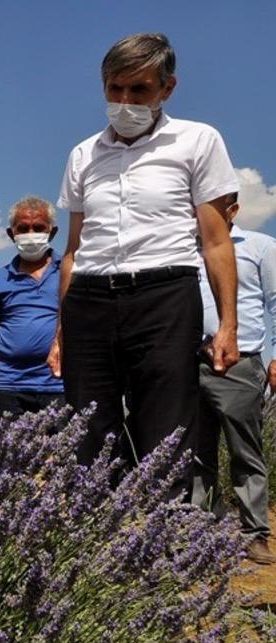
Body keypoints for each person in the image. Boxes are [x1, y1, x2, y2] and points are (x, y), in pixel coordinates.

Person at [53, 33, 239, 495]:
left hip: (165, 296)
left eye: (139, 90)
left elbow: (215, 241)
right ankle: (99, 548)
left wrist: (228, 324)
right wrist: (62, 327)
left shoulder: (198, 140)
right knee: (88, 430)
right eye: (115, 89)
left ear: (167, 89)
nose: (125, 101)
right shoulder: (83, 154)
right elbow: (74, 248)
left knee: (166, 430)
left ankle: (165, 549)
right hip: (90, 299)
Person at [191, 193, 276, 565]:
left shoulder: (259, 246)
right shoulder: (183, 251)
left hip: (240, 363)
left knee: (245, 450)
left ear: (232, 211)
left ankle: (255, 533)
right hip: (189, 362)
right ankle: (202, 529)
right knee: (195, 453)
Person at [0, 196, 66, 423]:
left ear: (52, 233)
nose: (31, 233)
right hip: (9, 386)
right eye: (23, 228)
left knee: (61, 456)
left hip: (57, 385)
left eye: (38, 228)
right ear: (11, 233)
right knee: (12, 456)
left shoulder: (67, 273)